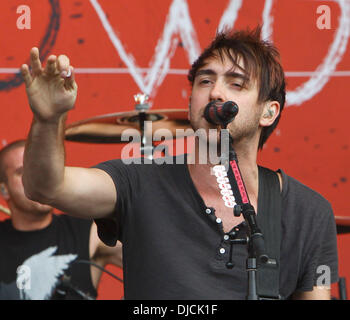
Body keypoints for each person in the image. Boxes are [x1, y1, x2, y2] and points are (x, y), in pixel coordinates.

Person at [20, 26, 338, 300]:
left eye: (236, 83)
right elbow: (46, 187)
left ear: (268, 112)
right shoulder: (137, 181)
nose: (215, 92)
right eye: (204, 81)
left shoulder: (309, 213)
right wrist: (49, 120)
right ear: (190, 104)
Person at [0, 140, 123, 300]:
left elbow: (153, 261)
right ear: (4, 190)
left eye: (42, 169)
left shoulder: (89, 232)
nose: (37, 179)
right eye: (23, 172)